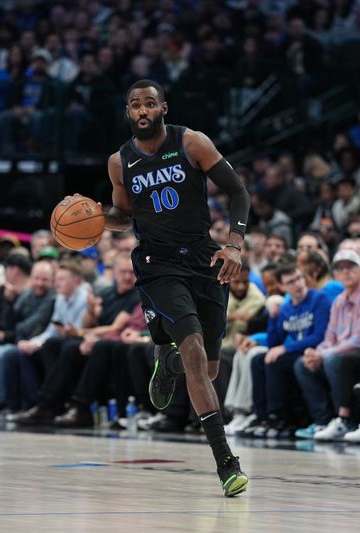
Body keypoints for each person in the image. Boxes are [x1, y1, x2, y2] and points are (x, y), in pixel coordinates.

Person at [95, 79, 251, 497]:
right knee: (196, 354)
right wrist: (94, 218)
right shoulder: (120, 161)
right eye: (135, 105)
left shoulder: (192, 143)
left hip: (203, 257)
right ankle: (226, 464)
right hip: (157, 264)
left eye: (150, 103)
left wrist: (234, 244)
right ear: (128, 113)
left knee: (210, 368)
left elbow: (238, 192)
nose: (142, 110)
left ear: (163, 107)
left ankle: (167, 358)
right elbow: (125, 216)